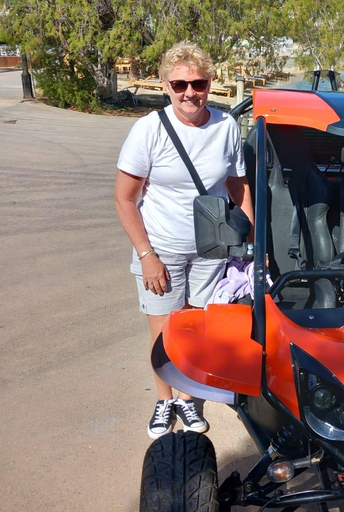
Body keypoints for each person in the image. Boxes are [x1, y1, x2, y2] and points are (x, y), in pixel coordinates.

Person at [114, 41, 254, 439]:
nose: (189, 93)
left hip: (211, 250)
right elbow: (125, 199)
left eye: (198, 83)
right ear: (166, 86)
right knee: (163, 331)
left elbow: (238, 185)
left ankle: (187, 398)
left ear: (210, 83)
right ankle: (164, 400)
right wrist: (147, 255)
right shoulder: (149, 130)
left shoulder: (226, 126)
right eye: (179, 85)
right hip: (161, 250)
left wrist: (251, 238)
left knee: (196, 328)